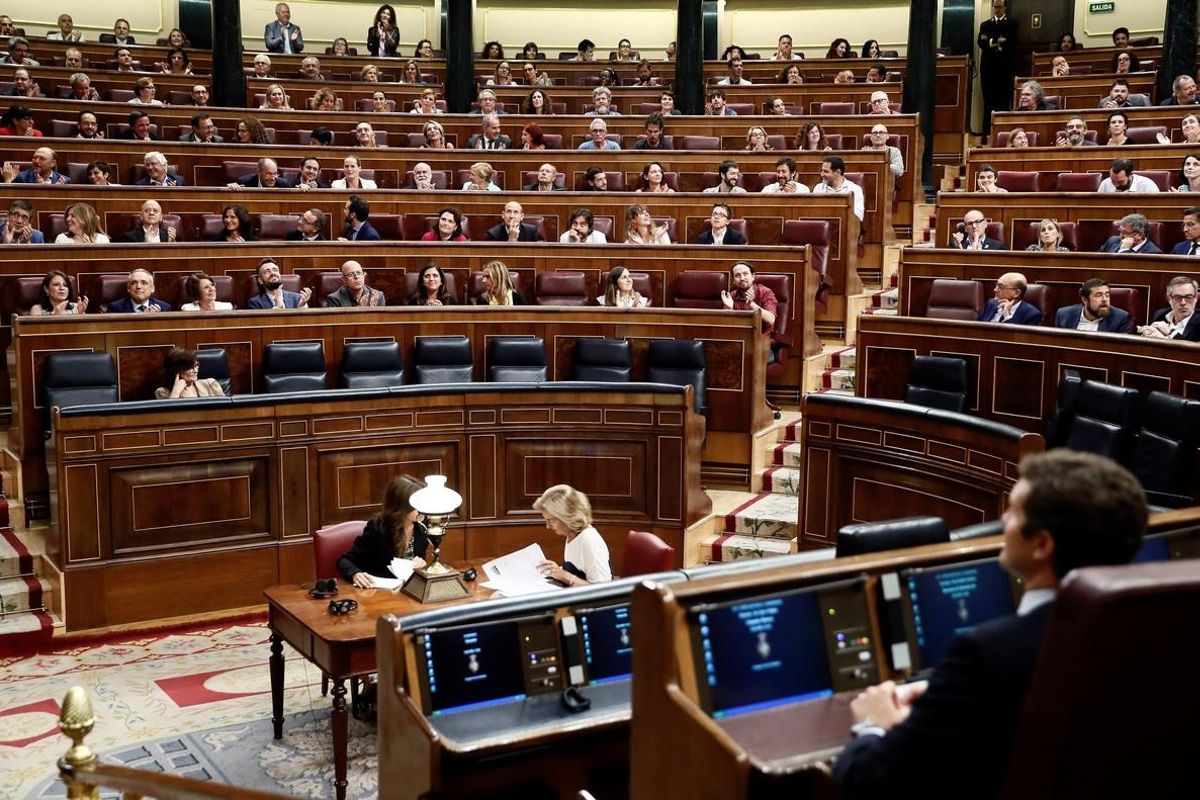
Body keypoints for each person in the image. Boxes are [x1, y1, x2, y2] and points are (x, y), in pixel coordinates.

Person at [836, 450, 1146, 800]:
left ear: (1042, 544)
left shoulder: (988, 654)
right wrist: (945, 690)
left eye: (1013, 511)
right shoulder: (1150, 634)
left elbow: (870, 781)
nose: (1002, 519)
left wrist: (875, 724)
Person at [338, 475, 431, 588]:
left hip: (409, 592)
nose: (421, 509)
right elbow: (344, 560)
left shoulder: (421, 527)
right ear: (401, 506)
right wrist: (355, 574)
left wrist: (421, 565)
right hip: (378, 594)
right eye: (416, 505)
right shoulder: (378, 529)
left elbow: (419, 561)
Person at [533, 485, 611, 585]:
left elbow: (603, 591)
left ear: (565, 516)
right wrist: (556, 571)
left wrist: (565, 575)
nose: (547, 526)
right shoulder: (572, 535)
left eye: (550, 520)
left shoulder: (590, 541)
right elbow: (578, 572)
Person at [721, 261, 780, 358]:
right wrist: (730, 309)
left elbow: (771, 319)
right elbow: (725, 326)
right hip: (737, 342)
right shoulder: (731, 296)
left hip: (761, 343)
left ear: (753, 277)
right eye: (737, 275)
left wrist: (752, 304)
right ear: (733, 281)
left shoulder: (765, 292)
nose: (742, 278)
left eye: (745, 274)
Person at [977, 0, 1017, 134]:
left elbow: (1011, 41)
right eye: (995, 7)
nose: (997, 9)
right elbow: (981, 41)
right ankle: (986, 131)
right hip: (988, 69)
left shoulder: (1011, 23)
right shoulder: (985, 25)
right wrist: (996, 41)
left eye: (1000, 7)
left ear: (1005, 7)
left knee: (1003, 100)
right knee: (988, 101)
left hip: (1004, 69)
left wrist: (990, 41)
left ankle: (1003, 130)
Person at [1053, 279, 1132, 334]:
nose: (1104, 299)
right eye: (1098, 295)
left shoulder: (1120, 319)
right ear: (1084, 300)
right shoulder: (1064, 315)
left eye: (1107, 295)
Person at [155, 348, 224, 399]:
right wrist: (176, 392)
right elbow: (168, 416)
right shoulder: (163, 392)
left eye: (196, 365)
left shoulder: (210, 384)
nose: (195, 370)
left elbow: (225, 410)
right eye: (190, 368)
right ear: (176, 370)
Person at [247, 258, 311, 309]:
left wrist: (302, 308)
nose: (272, 273)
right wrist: (277, 305)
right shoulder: (255, 303)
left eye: (275, 270)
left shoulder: (297, 298)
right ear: (260, 280)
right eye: (267, 271)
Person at [2, 147, 69, 184]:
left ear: (52, 163)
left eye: (42, 159)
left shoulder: (64, 181)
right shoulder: (21, 178)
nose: (36, 161)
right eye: (34, 158)